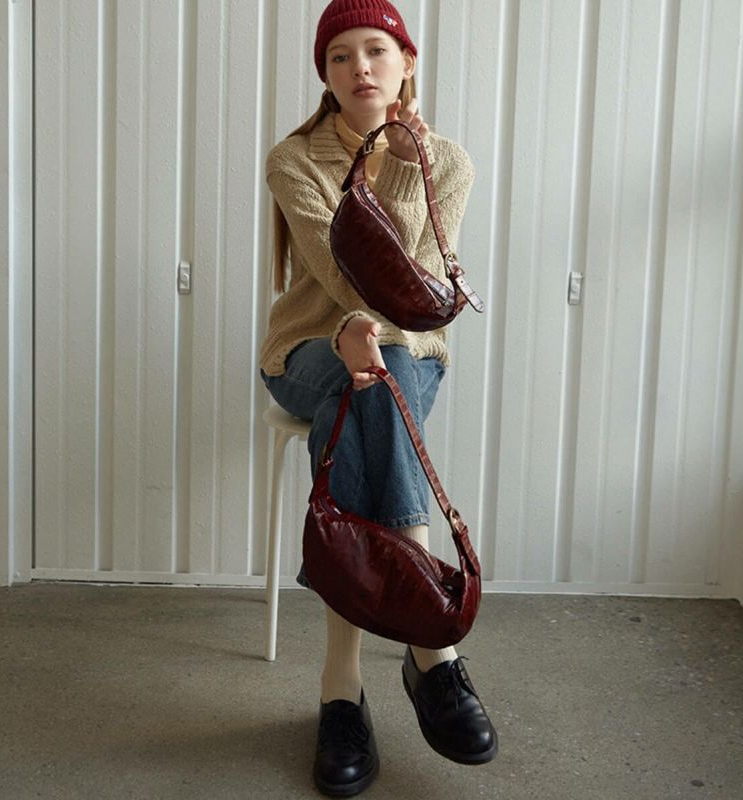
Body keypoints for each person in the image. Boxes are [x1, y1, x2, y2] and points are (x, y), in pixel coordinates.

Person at [259, 1, 497, 795]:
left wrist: (400, 164)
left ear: (406, 63)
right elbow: (340, 271)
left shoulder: (447, 162)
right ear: (325, 75)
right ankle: (432, 648)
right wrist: (349, 332)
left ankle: (341, 689)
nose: (359, 68)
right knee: (368, 389)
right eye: (340, 57)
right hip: (306, 350)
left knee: (370, 393)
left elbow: (415, 280)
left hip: (407, 349)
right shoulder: (294, 159)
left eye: (375, 51)